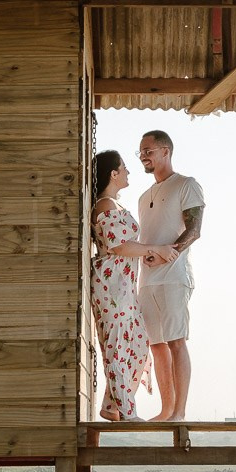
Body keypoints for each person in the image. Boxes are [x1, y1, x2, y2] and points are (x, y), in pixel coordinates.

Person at [89, 150, 179, 421]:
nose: (129, 172)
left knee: (139, 347)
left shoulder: (114, 205)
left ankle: (111, 404)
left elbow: (128, 247)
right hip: (111, 284)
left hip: (125, 286)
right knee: (117, 347)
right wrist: (154, 248)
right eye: (124, 168)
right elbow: (117, 246)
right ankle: (127, 412)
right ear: (113, 174)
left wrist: (146, 253)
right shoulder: (104, 205)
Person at [136, 130, 205, 421]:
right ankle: (165, 410)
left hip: (174, 276)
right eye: (140, 152)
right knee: (155, 344)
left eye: (148, 150)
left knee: (176, 340)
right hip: (147, 278)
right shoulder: (142, 197)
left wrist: (169, 252)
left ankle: (179, 412)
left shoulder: (186, 184)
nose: (143, 156)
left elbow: (195, 229)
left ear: (166, 151)